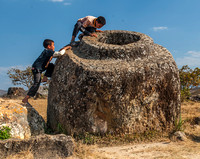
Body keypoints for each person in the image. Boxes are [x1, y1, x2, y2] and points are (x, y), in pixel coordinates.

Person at [22, 39, 71, 103]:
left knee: (51, 65)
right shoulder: (47, 51)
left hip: (40, 68)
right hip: (37, 69)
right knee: (37, 83)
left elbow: (55, 55)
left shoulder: (47, 51)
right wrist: (65, 48)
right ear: (48, 46)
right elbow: (60, 54)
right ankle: (26, 98)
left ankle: (45, 77)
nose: (54, 47)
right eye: (53, 45)